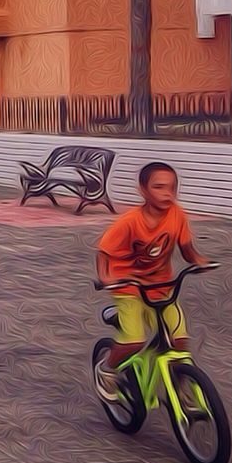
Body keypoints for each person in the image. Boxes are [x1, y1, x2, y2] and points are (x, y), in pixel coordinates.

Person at [93, 161, 212, 401]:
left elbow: (186, 247)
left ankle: (180, 390)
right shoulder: (130, 221)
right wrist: (106, 277)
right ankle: (106, 370)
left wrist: (197, 260)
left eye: (172, 188)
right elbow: (104, 251)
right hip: (129, 286)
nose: (167, 193)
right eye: (159, 187)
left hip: (162, 287)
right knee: (134, 341)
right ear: (143, 190)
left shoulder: (177, 214)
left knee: (179, 341)